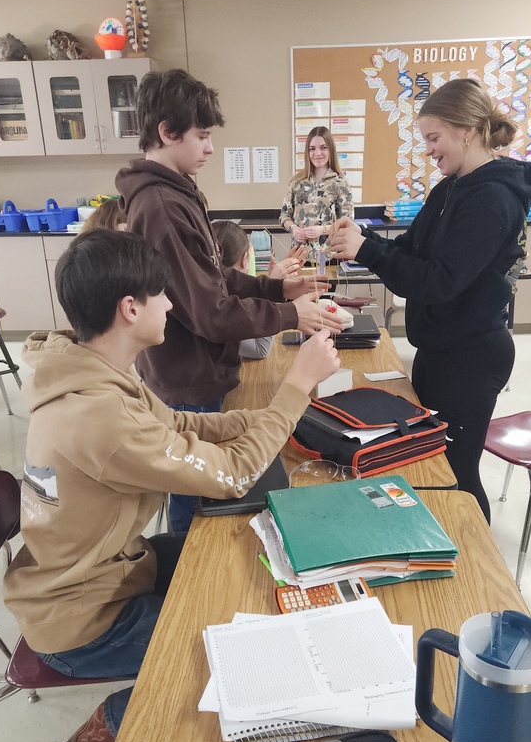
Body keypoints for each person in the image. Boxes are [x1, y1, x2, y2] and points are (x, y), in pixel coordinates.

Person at [3, 227, 339, 742]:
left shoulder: (93, 369)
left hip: (103, 570)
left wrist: (270, 417)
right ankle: (101, 737)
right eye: (162, 295)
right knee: (242, 654)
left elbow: (180, 426)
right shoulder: (96, 416)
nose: (171, 304)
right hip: (82, 616)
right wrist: (296, 389)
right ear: (129, 308)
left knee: (244, 564)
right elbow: (234, 475)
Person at [116, 69, 341, 533]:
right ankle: (184, 572)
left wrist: (276, 290)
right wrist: (289, 314)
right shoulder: (161, 205)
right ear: (166, 131)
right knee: (197, 505)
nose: (210, 147)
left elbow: (212, 279)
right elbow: (211, 313)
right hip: (186, 378)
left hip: (196, 374)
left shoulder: (177, 192)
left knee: (204, 488)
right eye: (201, 135)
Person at [330, 78, 531, 522]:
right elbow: (413, 248)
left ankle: (477, 571)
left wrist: (366, 252)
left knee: (456, 473)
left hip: (472, 356)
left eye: (434, 138)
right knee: (426, 459)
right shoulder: (450, 188)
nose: (429, 150)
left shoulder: (492, 199)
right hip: (439, 348)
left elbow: (439, 281)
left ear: (466, 130)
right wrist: (362, 238)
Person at [212, 219, 306, 360]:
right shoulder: (222, 302)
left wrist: (269, 286)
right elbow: (260, 349)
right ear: (245, 259)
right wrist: (272, 290)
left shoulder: (208, 287)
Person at [279, 125, 355, 257]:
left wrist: (322, 230)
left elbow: (348, 224)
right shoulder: (296, 182)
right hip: (299, 257)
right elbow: (284, 216)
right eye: (312, 149)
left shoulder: (340, 184)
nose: (317, 153)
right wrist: (293, 228)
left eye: (323, 148)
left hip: (330, 257)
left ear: (330, 150)